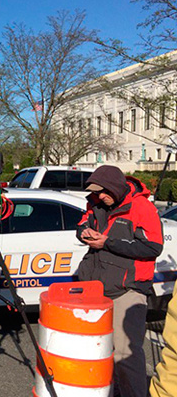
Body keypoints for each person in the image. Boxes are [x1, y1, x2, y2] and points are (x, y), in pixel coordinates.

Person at [76, 165, 163, 397]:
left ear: (115, 187)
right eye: (96, 192)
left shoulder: (142, 207)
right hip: (96, 289)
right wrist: (84, 232)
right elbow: (82, 223)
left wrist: (107, 243)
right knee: (99, 350)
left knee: (126, 355)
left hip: (128, 290)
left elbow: (153, 247)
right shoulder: (95, 203)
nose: (99, 196)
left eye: (103, 192)